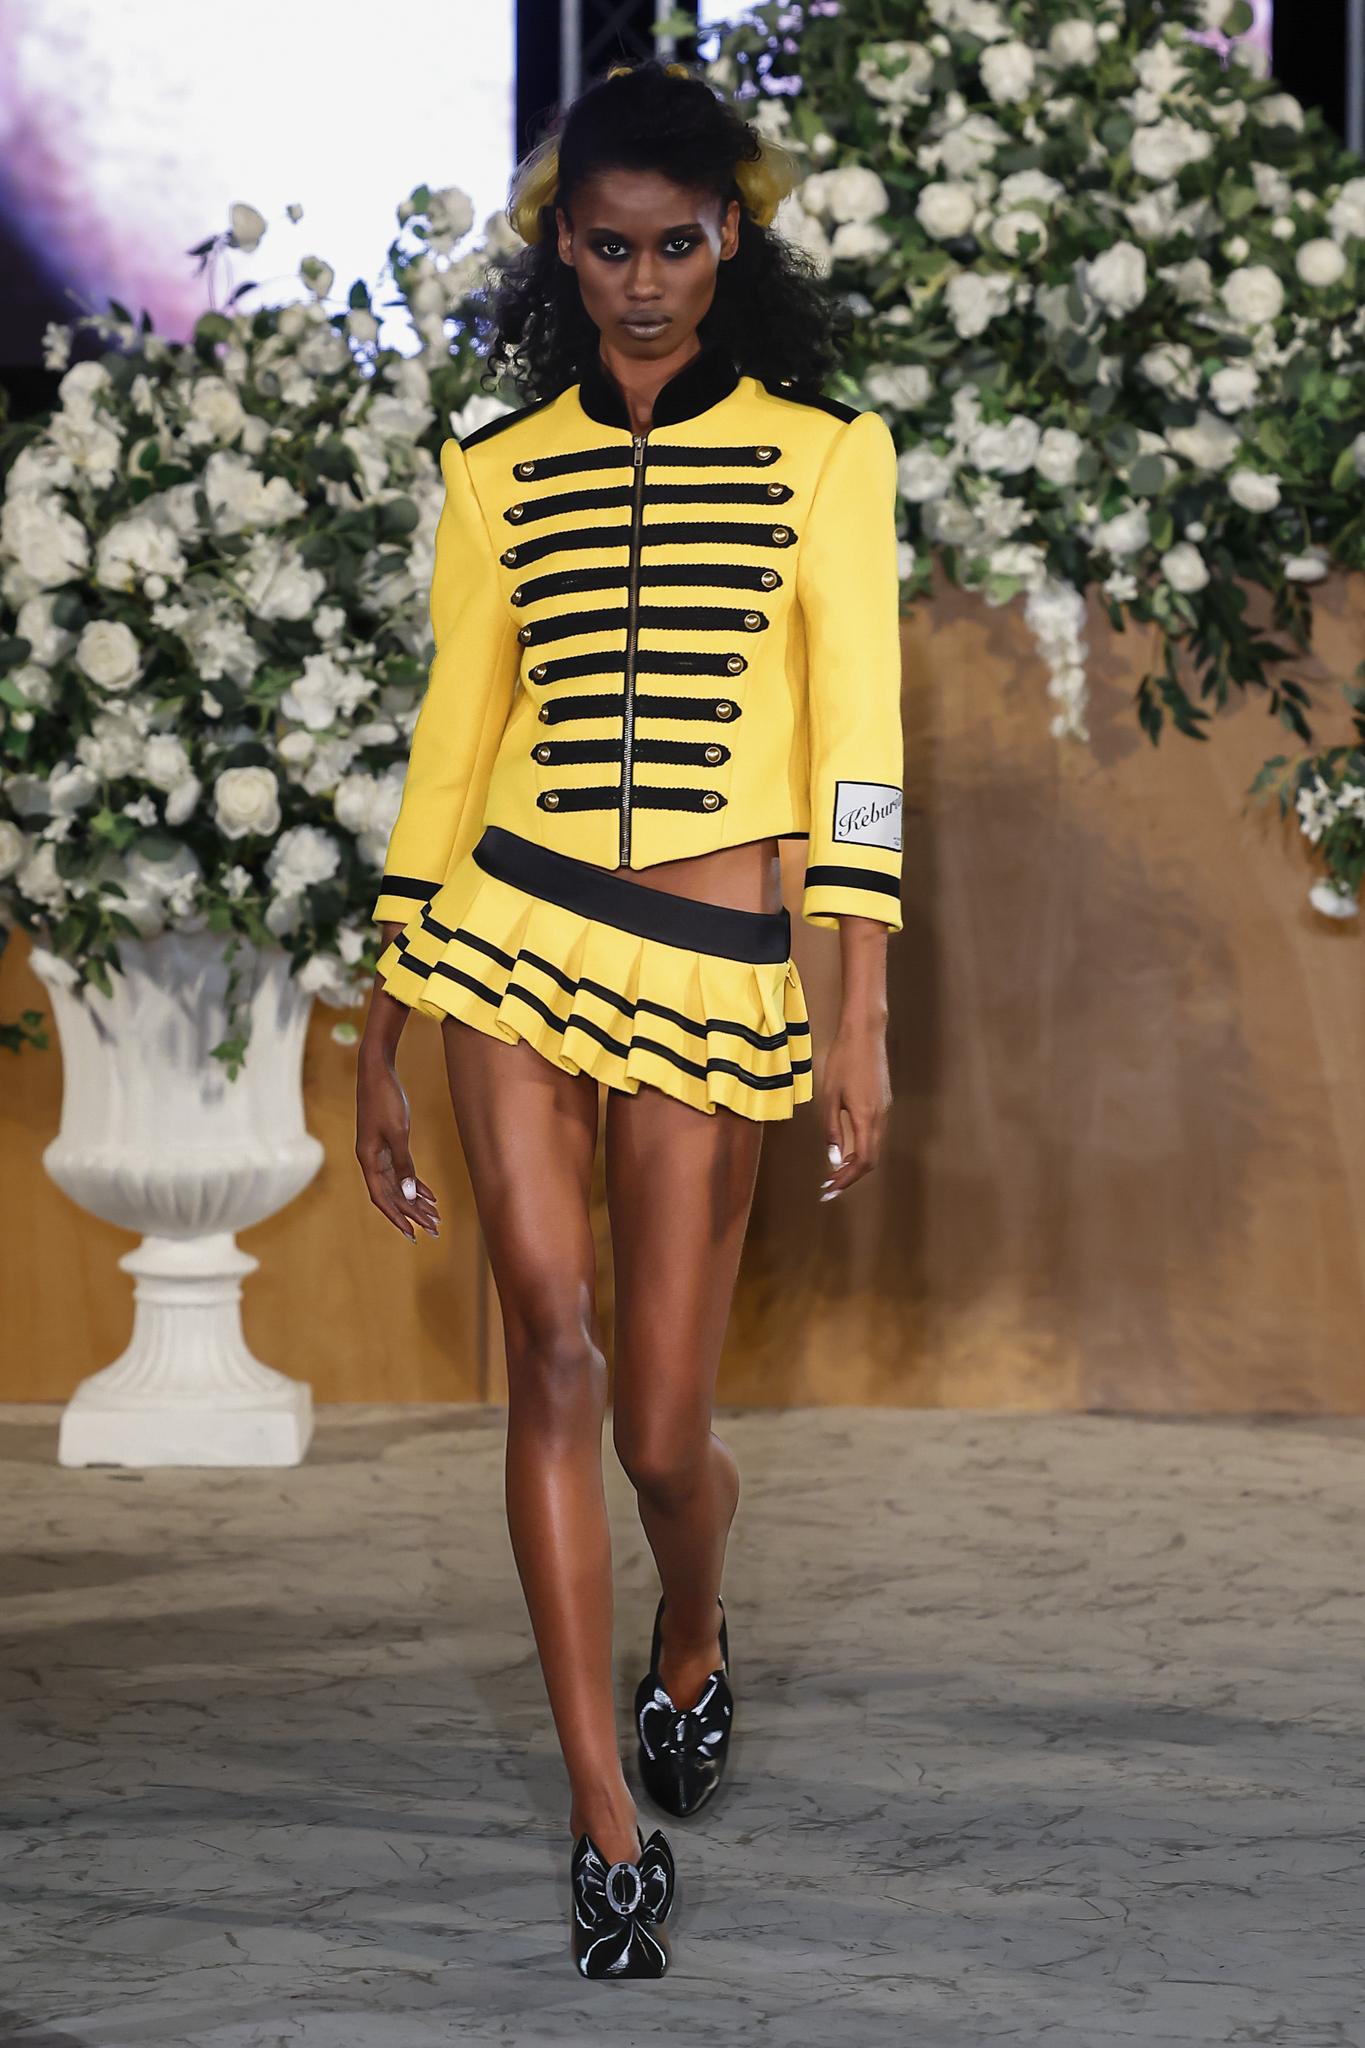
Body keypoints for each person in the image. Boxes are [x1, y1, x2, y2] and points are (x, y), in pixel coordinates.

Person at [354, 56, 904, 1979]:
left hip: (713, 960)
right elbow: (452, 745)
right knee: (552, 1352)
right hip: (506, 936)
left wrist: (858, 1006)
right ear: (561, 251)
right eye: (608, 249)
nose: (644, 281)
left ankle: (689, 1624)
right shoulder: (494, 472)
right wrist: (385, 1000)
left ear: (728, 238)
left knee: (666, 1431)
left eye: (675, 245)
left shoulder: (829, 455)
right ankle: (602, 1820)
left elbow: (859, 752)